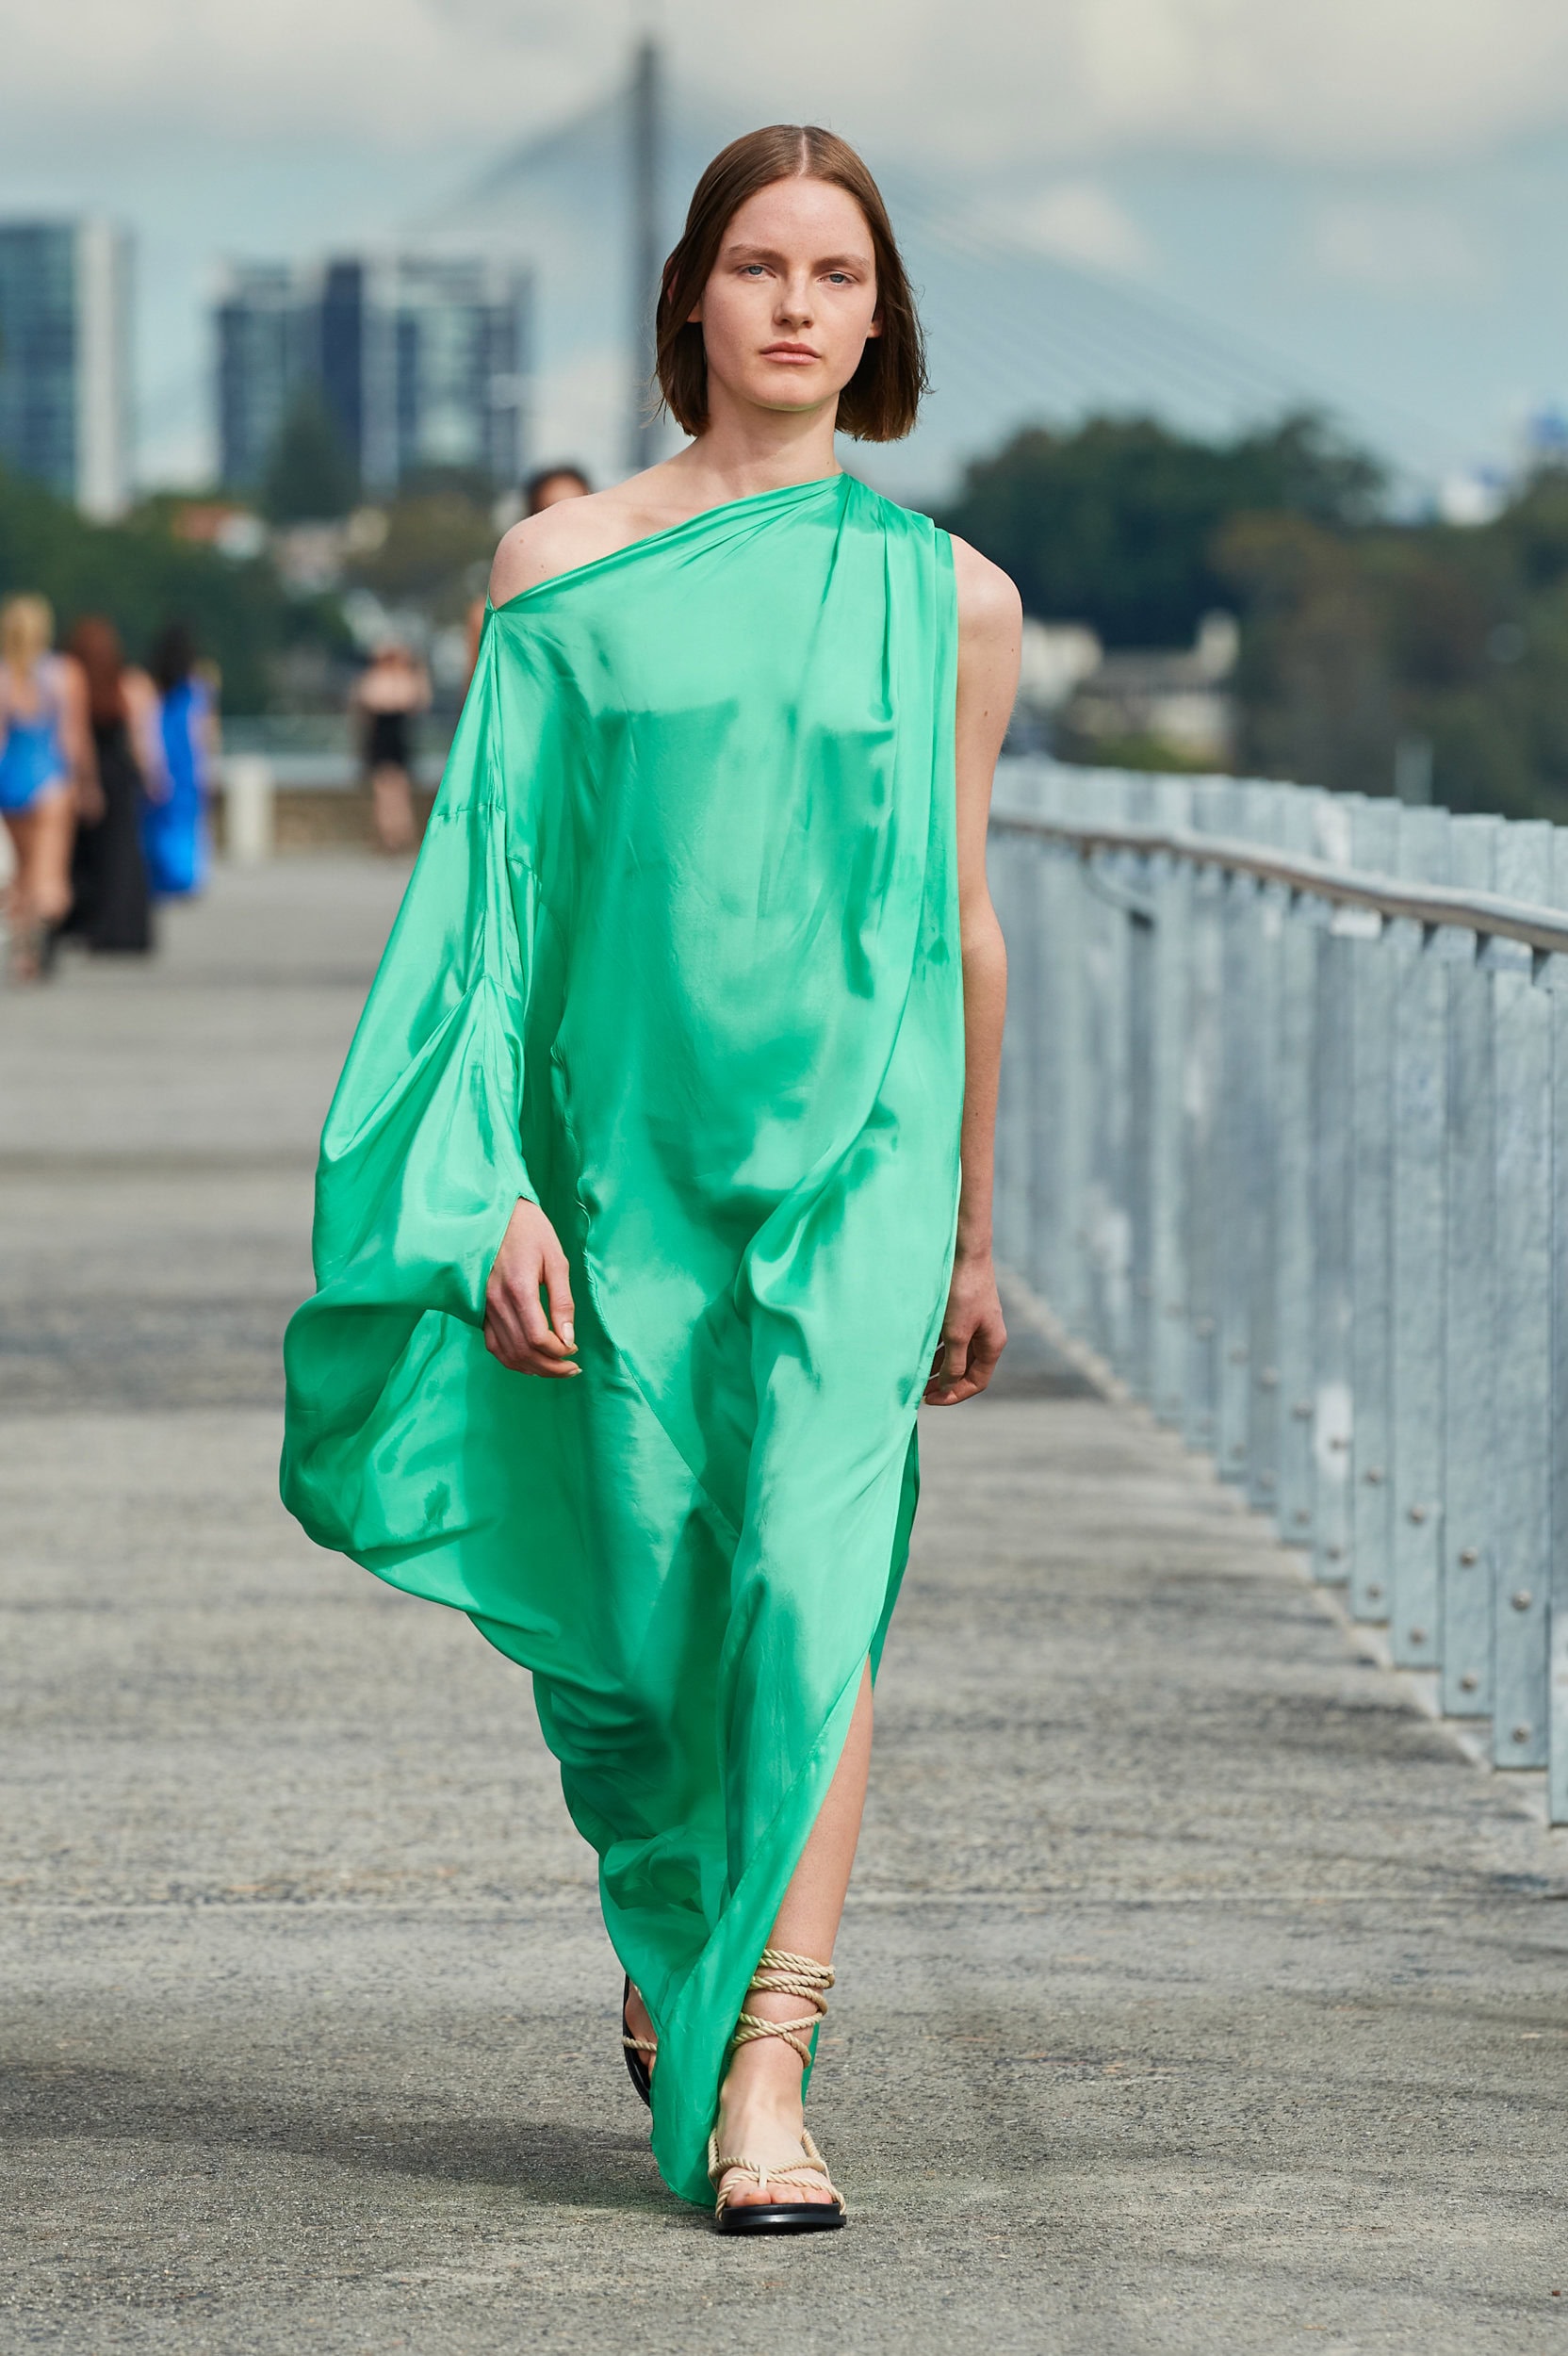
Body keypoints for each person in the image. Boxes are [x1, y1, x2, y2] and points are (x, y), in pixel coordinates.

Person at [282, 124, 1018, 2234]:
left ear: (878, 323)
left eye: (838, 275)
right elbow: (488, 914)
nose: (797, 304)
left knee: (807, 1585)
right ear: (690, 292)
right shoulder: (559, 571)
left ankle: (768, 2067)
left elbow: (962, 925)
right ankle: (679, 1912)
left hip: (857, 1171)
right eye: (761, 264)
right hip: (622, 1178)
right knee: (640, 1624)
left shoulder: (953, 601)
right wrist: (491, 1188)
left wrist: (973, 1228)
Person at [0, 595, 93, 982]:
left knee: (21, 871)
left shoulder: (4, 677)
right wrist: (87, 784)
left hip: (10, 778)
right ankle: (44, 932)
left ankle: (23, 948)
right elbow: (74, 739)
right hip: (49, 779)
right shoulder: (63, 674)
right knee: (48, 871)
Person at [62, 617, 161, 955]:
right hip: (119, 775)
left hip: (84, 775)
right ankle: (122, 928)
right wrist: (152, 776)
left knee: (80, 856)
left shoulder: (72, 682)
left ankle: (81, 923)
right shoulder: (131, 683)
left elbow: (75, 740)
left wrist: (84, 781)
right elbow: (142, 740)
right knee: (121, 856)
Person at [464, 466, 594, 682]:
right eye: (551, 512)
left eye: (578, 509)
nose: (566, 523)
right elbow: (479, 695)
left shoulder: (614, 597)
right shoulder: (493, 614)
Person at [142, 623, 217, 898]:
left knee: (158, 822)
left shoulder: (153, 683)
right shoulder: (198, 686)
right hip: (188, 764)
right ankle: (183, 874)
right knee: (187, 822)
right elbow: (204, 734)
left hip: (162, 759)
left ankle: (160, 874)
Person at [351, 640, 432, 854]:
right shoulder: (375, 680)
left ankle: (399, 833)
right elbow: (372, 702)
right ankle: (389, 834)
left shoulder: (403, 681)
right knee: (384, 791)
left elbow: (417, 702)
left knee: (398, 790)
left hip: (397, 740)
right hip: (381, 741)